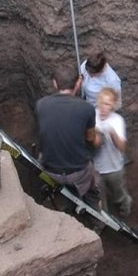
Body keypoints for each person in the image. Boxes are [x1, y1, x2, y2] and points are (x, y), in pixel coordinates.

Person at [36, 64, 101, 208]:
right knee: (93, 180)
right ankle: (95, 213)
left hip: (50, 171)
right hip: (77, 173)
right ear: (78, 83)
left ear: (54, 83)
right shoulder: (87, 109)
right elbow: (91, 138)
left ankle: (61, 204)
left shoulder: (41, 105)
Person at [93, 87, 132, 216]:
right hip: (96, 169)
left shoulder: (117, 120)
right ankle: (104, 220)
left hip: (114, 168)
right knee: (99, 197)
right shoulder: (92, 115)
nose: (104, 107)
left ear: (113, 106)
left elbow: (122, 147)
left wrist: (112, 133)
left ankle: (126, 206)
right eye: (103, 103)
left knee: (118, 195)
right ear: (98, 102)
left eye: (108, 104)